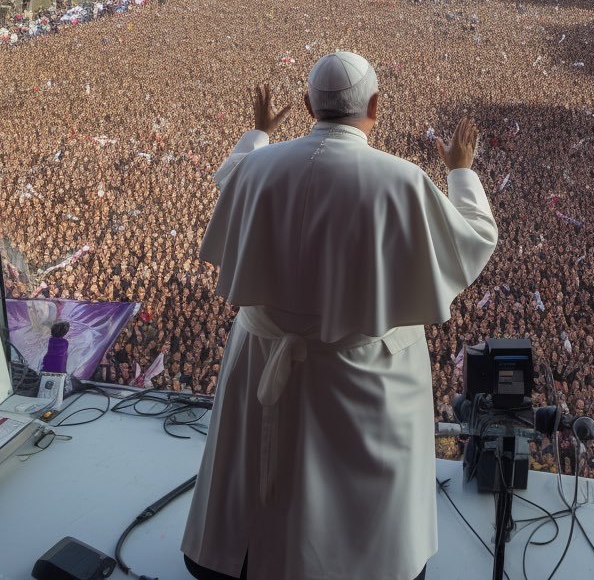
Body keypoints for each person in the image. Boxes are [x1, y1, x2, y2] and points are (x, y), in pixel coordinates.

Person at [181, 52, 498, 580]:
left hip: (263, 356)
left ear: (307, 105)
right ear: (375, 105)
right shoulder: (402, 181)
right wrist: (461, 173)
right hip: (361, 375)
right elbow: (474, 241)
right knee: (355, 519)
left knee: (261, 487)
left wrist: (258, 134)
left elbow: (230, 177)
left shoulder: (257, 168)